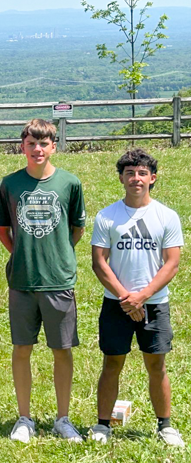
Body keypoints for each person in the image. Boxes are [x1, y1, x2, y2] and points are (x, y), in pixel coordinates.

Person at [0, 119, 86, 443]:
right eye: (31, 143)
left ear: (53, 147)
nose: (37, 149)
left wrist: (56, 253)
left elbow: (75, 229)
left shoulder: (70, 183)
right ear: (23, 146)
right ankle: (24, 418)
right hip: (22, 280)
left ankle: (63, 418)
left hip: (58, 280)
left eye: (44, 143)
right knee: (22, 349)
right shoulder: (9, 184)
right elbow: (4, 231)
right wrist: (24, 253)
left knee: (62, 351)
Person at [89, 149, 184, 446]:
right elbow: (99, 262)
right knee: (112, 363)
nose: (136, 178)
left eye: (142, 173)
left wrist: (142, 296)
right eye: (130, 173)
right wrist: (125, 298)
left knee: (157, 365)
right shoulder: (107, 216)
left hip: (155, 304)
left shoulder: (166, 216)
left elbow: (172, 263)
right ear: (121, 178)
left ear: (152, 178)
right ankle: (103, 425)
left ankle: (165, 426)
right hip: (116, 304)